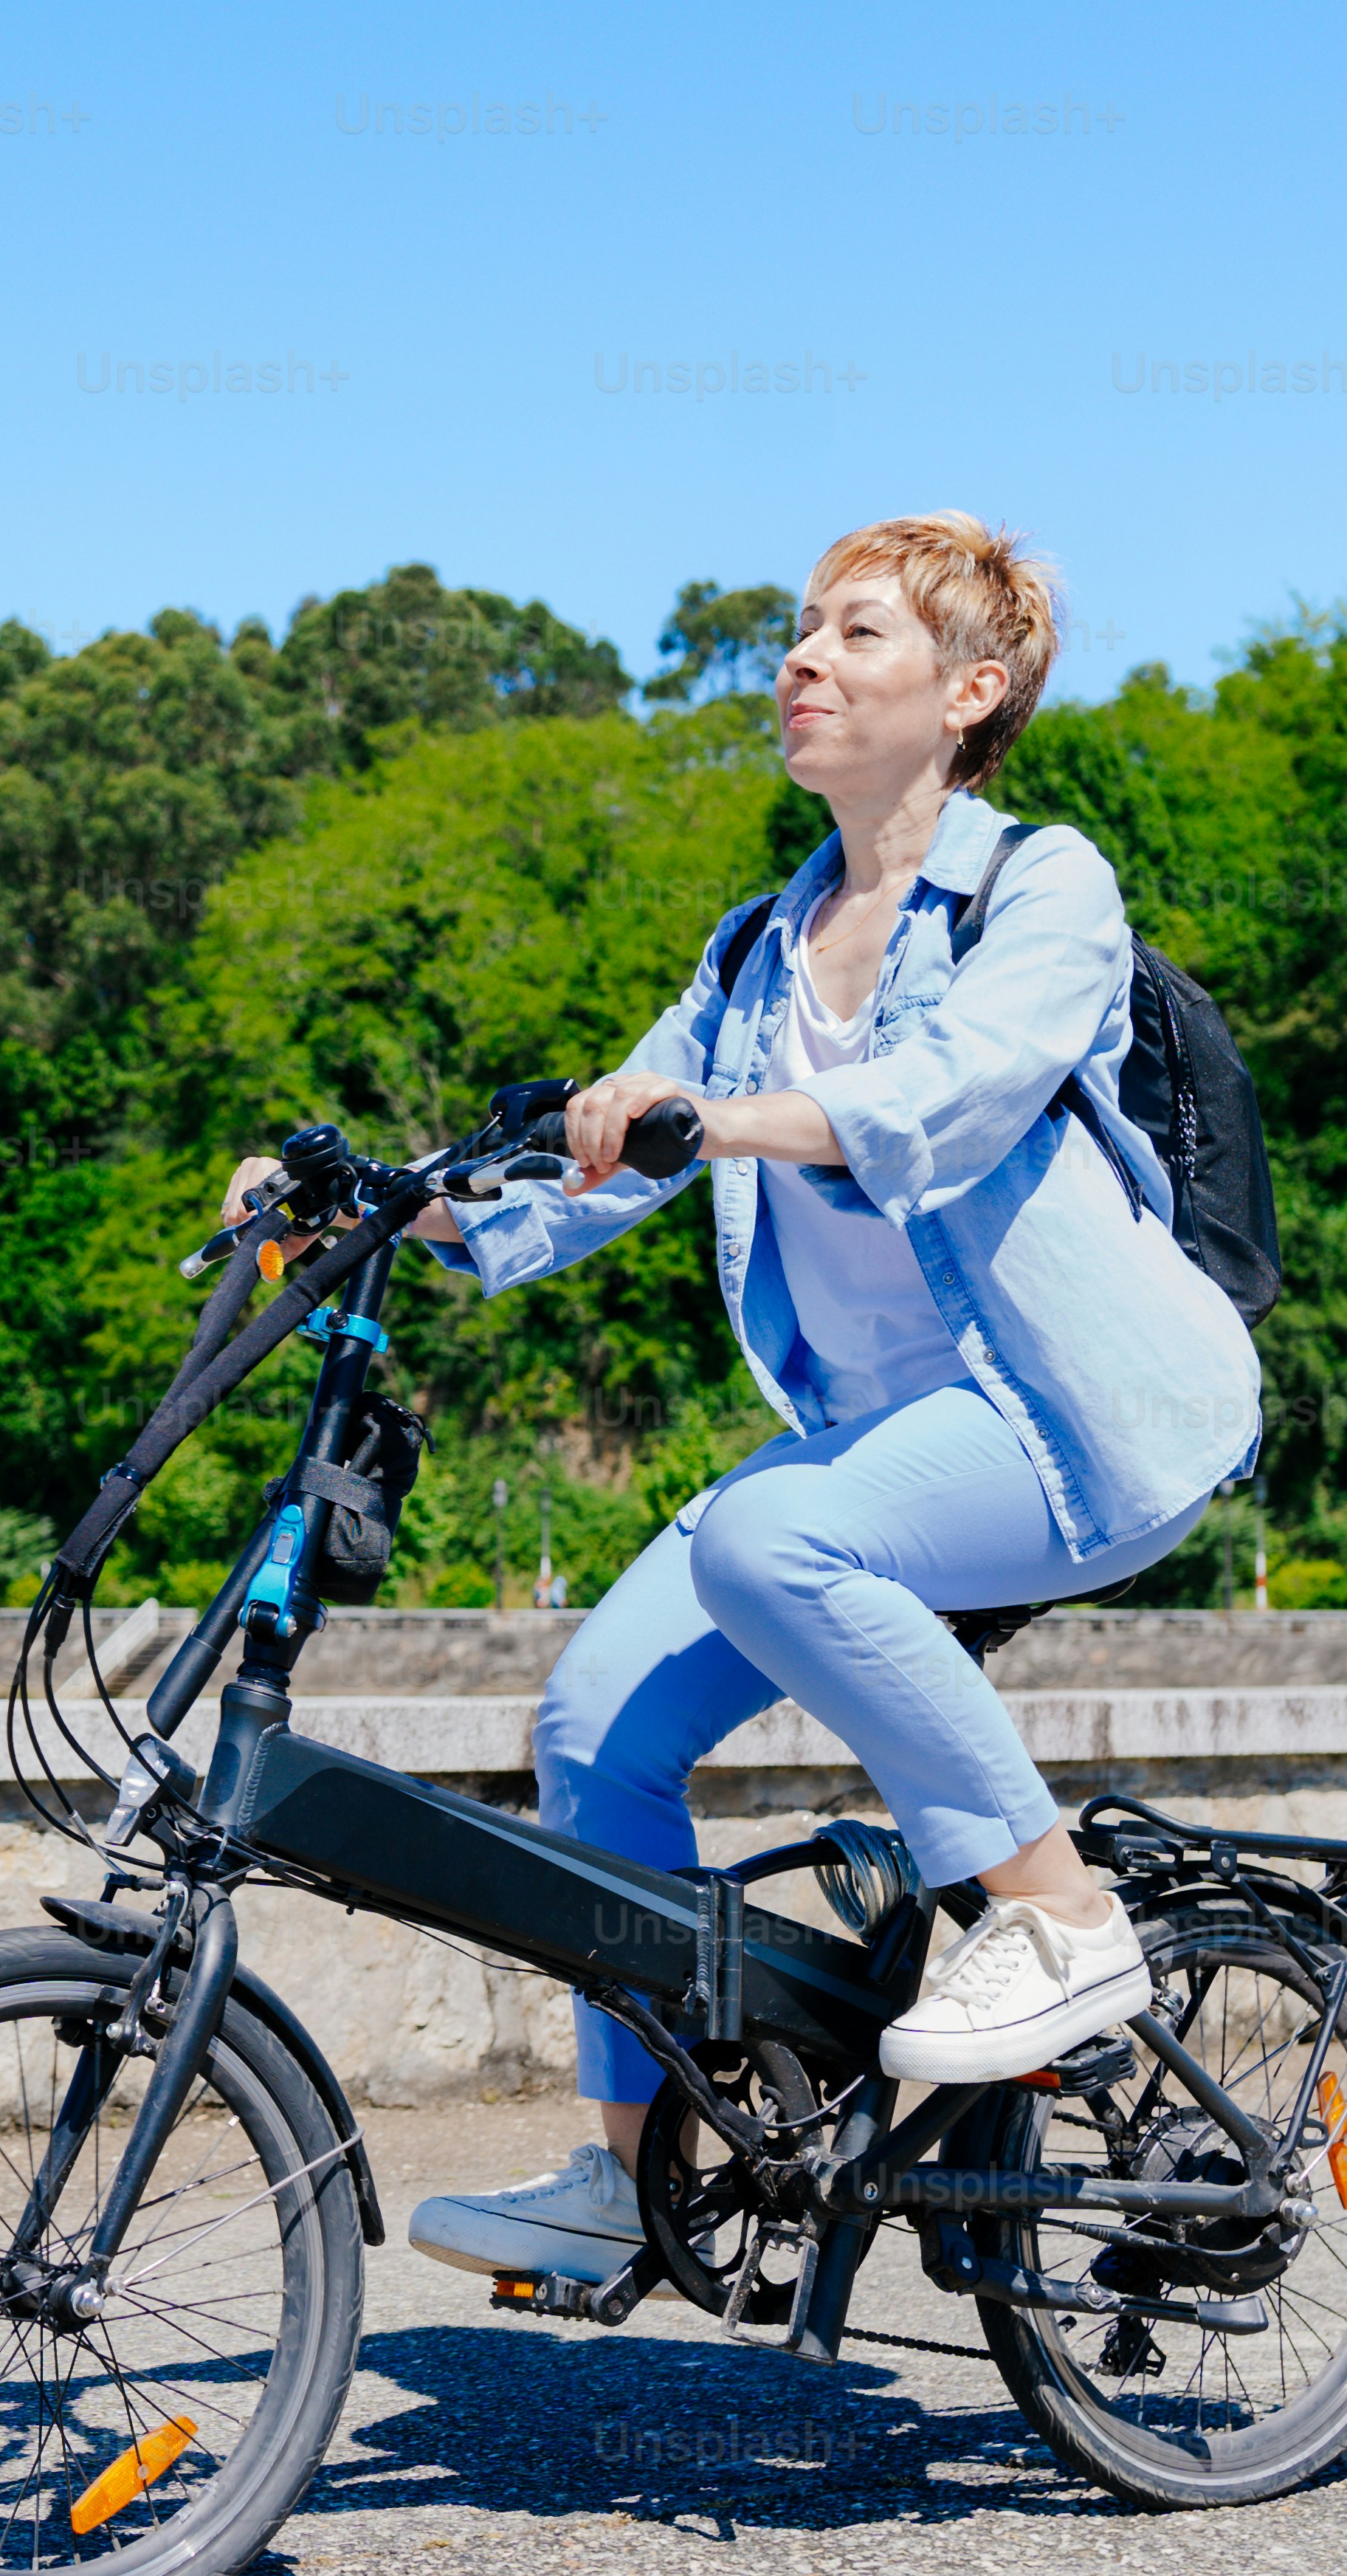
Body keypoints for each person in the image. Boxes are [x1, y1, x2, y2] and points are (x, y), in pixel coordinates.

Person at [222, 513, 1264, 2291]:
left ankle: (1060, 1914)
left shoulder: (1047, 886)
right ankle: (637, 2178)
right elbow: (601, 1161)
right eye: (800, 630)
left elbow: (955, 1094)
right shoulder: (759, 949)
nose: (804, 659)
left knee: (778, 1534)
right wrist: (389, 1199)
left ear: (970, 691)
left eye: (858, 633)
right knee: (591, 1725)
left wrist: (721, 1116)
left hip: (1087, 1417)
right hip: (880, 1451)